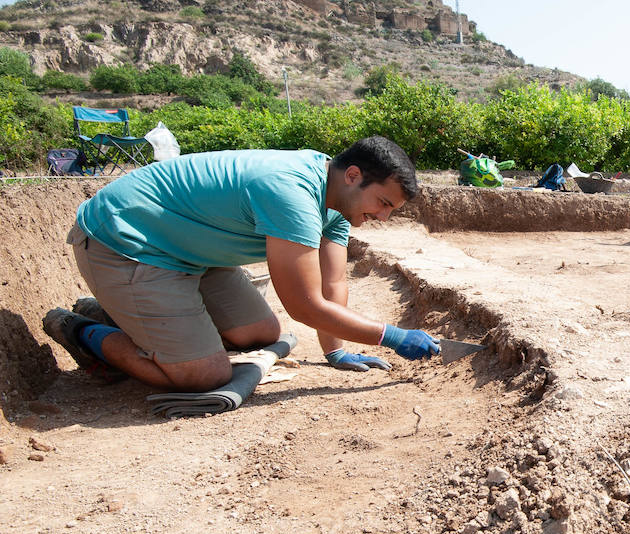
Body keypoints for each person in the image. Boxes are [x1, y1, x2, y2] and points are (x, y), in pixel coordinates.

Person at [43, 136, 443, 392]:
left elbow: (331, 284)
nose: (383, 217)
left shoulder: (337, 198)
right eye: (384, 204)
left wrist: (336, 352)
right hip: (127, 242)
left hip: (190, 251)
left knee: (260, 333)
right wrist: (391, 336)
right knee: (204, 375)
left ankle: (123, 315)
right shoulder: (292, 192)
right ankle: (79, 328)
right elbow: (303, 305)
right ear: (354, 175)